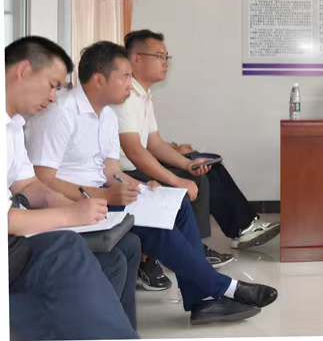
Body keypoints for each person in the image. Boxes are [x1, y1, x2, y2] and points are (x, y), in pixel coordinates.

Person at [26, 41, 279, 325]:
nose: (129, 83)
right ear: (98, 79)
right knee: (155, 224)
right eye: (124, 76)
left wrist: (142, 187)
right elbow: (43, 180)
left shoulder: (106, 115)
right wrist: (108, 195)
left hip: (103, 196)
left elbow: (111, 172)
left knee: (176, 202)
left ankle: (203, 300)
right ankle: (223, 289)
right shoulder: (61, 113)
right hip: (73, 204)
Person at [114, 29, 279, 286]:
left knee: (202, 166)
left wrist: (188, 164)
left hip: (138, 164)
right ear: (136, 58)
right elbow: (135, 152)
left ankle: (232, 231)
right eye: (159, 56)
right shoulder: (125, 96)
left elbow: (155, 143)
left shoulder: (143, 95)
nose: (165, 62)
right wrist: (177, 178)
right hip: (126, 172)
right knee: (194, 180)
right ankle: (194, 249)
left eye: (167, 57)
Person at [6, 36, 138, 340]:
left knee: (112, 260)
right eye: (52, 85)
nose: (53, 97)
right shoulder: (57, 114)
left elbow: (28, 183)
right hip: (10, 246)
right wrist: (72, 215)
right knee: (66, 248)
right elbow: (8, 218)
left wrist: (71, 206)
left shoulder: (12, 125)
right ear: (23, 71)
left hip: (15, 243)